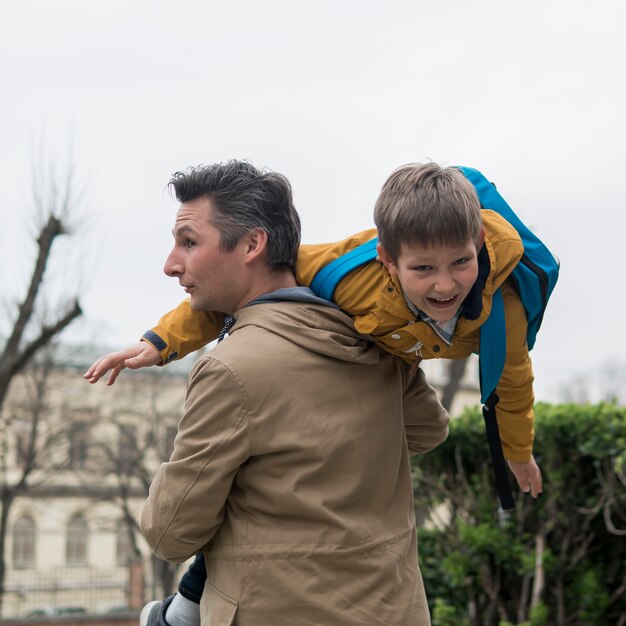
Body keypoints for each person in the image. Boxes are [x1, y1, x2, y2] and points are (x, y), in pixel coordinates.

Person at [86, 162, 543, 500]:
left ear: (478, 245)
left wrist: (517, 453)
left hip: (405, 372)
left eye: (460, 263)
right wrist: (159, 342)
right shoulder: (345, 274)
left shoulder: (502, 309)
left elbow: (513, 385)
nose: (445, 285)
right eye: (423, 268)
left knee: (429, 430)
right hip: (370, 350)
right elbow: (243, 285)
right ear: (388, 259)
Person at [136, 160, 449, 626]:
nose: (170, 264)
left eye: (189, 242)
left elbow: (170, 534)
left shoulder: (230, 367)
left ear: (252, 244)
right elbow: (428, 431)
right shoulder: (373, 338)